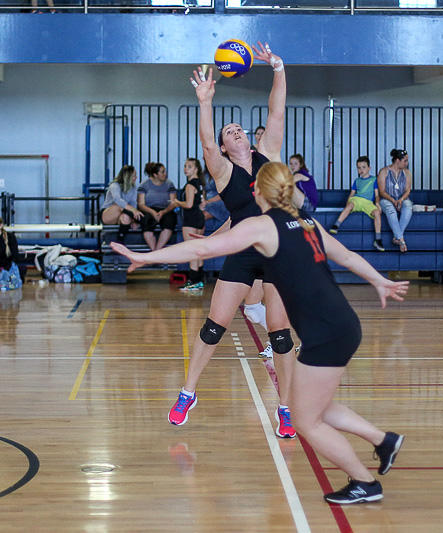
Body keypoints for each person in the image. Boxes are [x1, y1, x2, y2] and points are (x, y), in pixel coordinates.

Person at [112, 161, 409, 504]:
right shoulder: (307, 222)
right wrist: (379, 281)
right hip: (341, 324)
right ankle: (383, 441)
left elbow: (202, 249)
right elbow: (347, 256)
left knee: (305, 420)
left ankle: (364, 482)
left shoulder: (263, 227)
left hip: (326, 332)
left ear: (257, 192)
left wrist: (146, 258)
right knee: (312, 405)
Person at [169, 44, 299, 438]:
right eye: (230, 132)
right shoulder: (223, 171)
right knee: (214, 326)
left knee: (280, 335)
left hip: (278, 252)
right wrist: (205, 102)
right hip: (244, 253)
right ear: (226, 147)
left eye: (238, 128)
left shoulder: (269, 154)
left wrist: (278, 68)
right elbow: (207, 143)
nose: (236, 131)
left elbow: (276, 112)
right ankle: (187, 393)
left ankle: (285, 408)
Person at [329, 155, 384, 251]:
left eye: (364, 167)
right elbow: (352, 194)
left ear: (369, 168)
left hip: (368, 203)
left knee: (377, 213)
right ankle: (336, 225)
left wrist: (377, 204)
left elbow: (376, 195)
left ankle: (378, 239)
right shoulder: (357, 181)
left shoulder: (374, 179)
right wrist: (348, 203)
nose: (361, 170)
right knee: (350, 205)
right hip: (357, 200)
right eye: (359, 168)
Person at [175, 157, 206, 290]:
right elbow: (203, 204)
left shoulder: (190, 185)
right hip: (199, 219)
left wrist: (177, 202)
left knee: (192, 251)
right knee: (198, 250)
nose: (185, 169)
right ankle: (199, 280)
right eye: (185, 166)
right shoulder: (200, 184)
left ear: (196, 169)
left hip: (190, 220)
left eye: (189, 166)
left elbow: (188, 204)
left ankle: (193, 281)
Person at [377, 149, 413, 252]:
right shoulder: (384, 172)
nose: (407, 163)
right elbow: (382, 191)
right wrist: (393, 200)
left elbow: (408, 190)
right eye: (405, 161)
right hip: (386, 199)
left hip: (401, 198)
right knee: (390, 209)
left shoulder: (407, 173)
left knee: (408, 206)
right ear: (397, 160)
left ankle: (396, 237)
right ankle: (401, 239)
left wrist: (401, 199)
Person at [137, 162, 178, 252]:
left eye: (165, 171)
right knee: (146, 221)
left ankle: (157, 251)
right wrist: (153, 212)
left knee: (170, 221)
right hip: (149, 209)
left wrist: (163, 212)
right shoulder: (144, 185)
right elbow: (141, 204)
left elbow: (173, 203)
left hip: (165, 209)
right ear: (155, 175)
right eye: (162, 172)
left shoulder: (169, 184)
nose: (165, 174)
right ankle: (154, 251)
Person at [101, 164, 142, 243]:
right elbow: (118, 200)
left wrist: (134, 220)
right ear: (127, 177)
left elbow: (133, 203)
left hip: (123, 213)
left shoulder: (133, 188)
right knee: (119, 206)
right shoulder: (114, 185)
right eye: (134, 176)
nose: (136, 177)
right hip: (108, 214)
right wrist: (134, 211)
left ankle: (120, 240)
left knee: (126, 217)